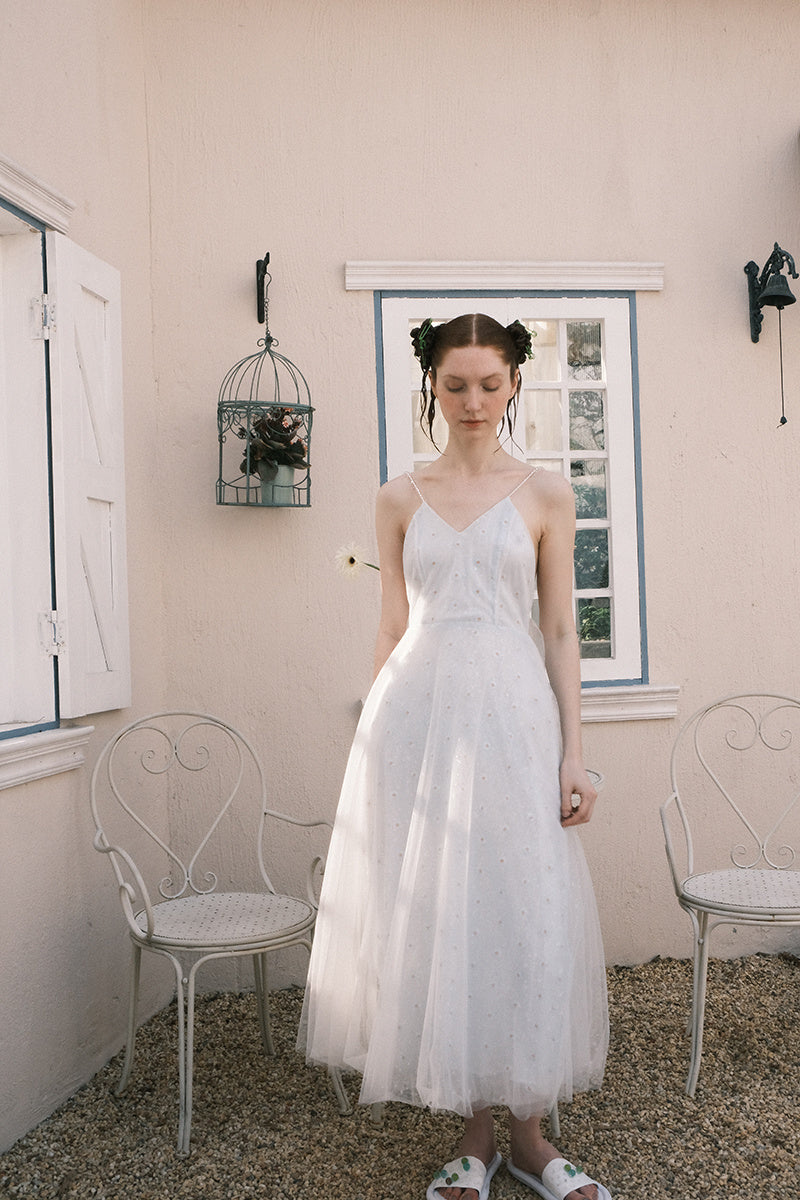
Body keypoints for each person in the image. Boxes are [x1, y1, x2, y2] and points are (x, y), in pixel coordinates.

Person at [300, 314, 611, 1200]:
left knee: (525, 908)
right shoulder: (398, 497)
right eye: (454, 384)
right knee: (444, 914)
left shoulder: (548, 494)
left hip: (515, 722)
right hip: (418, 721)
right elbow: (393, 624)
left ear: (515, 383)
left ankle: (532, 1138)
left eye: (489, 383)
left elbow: (558, 629)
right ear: (430, 386)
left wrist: (575, 756)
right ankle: (477, 1136)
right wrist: (371, 744)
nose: (472, 401)